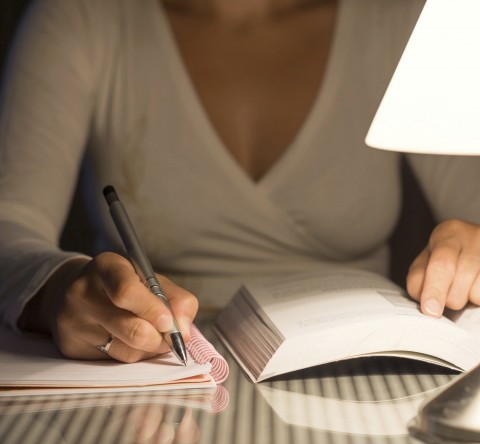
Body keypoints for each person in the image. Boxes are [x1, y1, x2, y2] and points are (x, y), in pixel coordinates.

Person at [1, 0, 480, 363]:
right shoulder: (84, 17)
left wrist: (471, 243)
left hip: (368, 370)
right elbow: (9, 225)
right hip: (156, 374)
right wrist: (58, 288)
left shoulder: (401, 16)